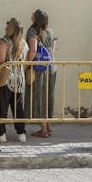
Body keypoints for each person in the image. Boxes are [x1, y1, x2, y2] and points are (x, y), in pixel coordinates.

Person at [0, 17, 28, 143]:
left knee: (2, 106)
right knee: (18, 107)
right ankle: (21, 133)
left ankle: (2, 135)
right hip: (19, 78)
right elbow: (26, 60)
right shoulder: (23, 43)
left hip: (6, 77)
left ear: (10, 28)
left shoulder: (4, 41)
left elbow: (0, 60)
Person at [26, 9, 57, 138]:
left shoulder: (33, 32)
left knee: (40, 97)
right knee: (49, 95)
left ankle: (43, 129)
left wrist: (27, 64)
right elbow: (53, 48)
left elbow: (32, 50)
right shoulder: (50, 31)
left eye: (33, 14)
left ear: (35, 18)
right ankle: (48, 126)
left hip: (39, 68)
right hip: (51, 65)